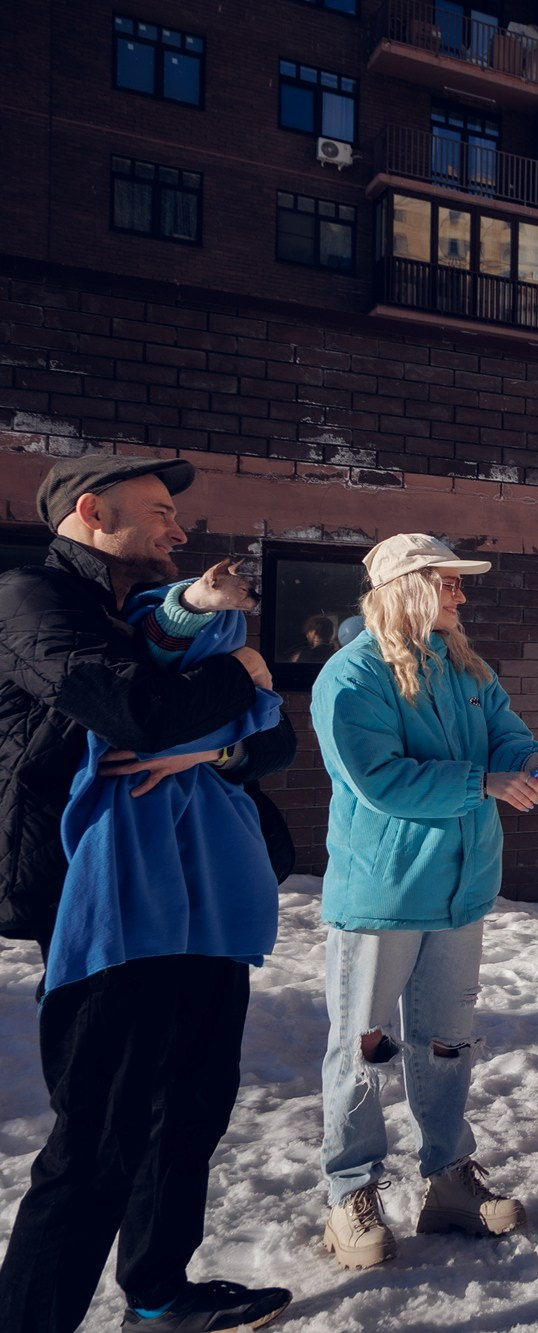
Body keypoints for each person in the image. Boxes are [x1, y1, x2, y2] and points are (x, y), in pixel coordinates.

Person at [0, 456, 293, 1333]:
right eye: (160, 512)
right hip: (103, 906)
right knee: (97, 1137)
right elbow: (134, 710)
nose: (179, 531)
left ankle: (160, 1293)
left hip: (202, 896)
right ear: (91, 510)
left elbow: (271, 751)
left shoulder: (155, 615)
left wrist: (216, 748)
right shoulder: (30, 600)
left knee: (191, 1109)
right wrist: (243, 671)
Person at [310, 533, 538, 1270]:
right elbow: (378, 779)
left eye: (459, 584)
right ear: (406, 587)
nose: (461, 595)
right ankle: (349, 1192)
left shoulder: (463, 667)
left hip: (461, 893)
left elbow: (505, 736)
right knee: (361, 1050)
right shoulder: (351, 675)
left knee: (447, 1043)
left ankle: (447, 1179)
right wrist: (481, 781)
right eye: (449, 584)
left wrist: (534, 759)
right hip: (382, 897)